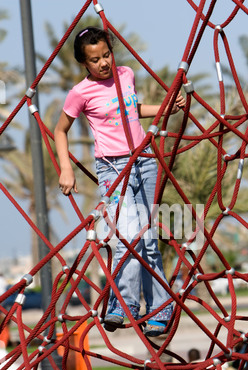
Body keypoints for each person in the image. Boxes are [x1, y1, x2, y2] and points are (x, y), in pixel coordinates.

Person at [54, 27, 186, 337]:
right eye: (95, 60)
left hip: (145, 160)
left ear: (112, 51)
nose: (103, 63)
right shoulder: (80, 93)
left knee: (149, 239)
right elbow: (60, 130)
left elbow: (132, 111)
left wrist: (166, 108)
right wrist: (66, 168)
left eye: (106, 55)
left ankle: (159, 309)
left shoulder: (126, 74)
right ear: (84, 64)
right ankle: (122, 306)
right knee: (128, 236)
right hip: (113, 168)